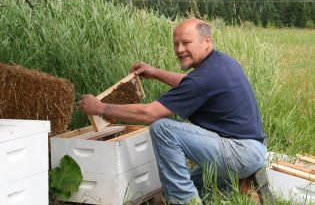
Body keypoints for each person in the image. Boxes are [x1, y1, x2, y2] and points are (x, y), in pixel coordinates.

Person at [78, 18, 267, 204]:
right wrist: (155, 73)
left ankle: (185, 202)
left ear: (207, 41)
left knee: (162, 128)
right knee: (183, 189)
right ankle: (241, 191)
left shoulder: (205, 77)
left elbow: (149, 114)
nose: (179, 49)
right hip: (251, 151)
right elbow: (189, 83)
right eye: (176, 44)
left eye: (186, 42)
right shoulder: (220, 62)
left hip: (239, 154)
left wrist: (102, 108)